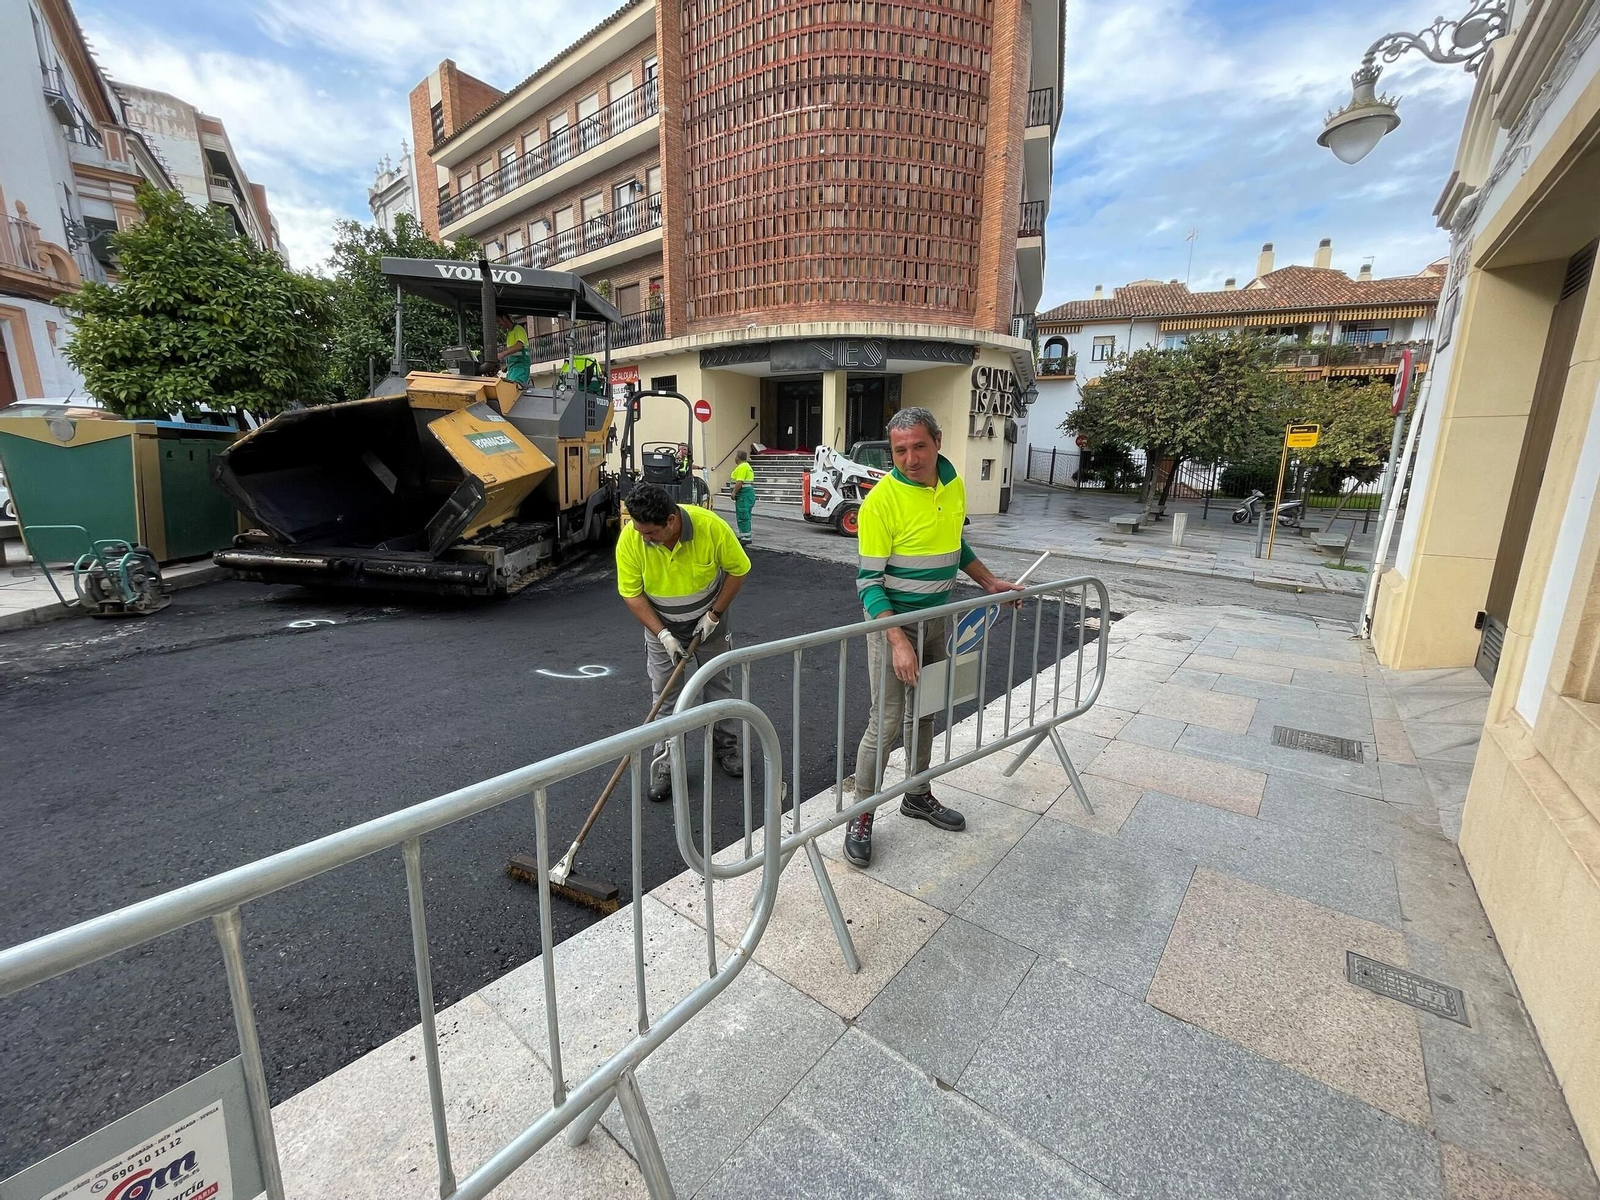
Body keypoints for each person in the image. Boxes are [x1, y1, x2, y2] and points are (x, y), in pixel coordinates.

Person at [843, 407, 1021, 867]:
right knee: (884, 723)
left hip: (938, 620)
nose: (909, 458)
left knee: (926, 712)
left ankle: (917, 794)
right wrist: (898, 641)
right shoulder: (881, 501)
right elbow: (869, 583)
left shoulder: (952, 484)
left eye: (918, 446)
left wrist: (989, 582)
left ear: (937, 441)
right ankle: (861, 812)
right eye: (899, 450)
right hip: (892, 628)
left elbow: (953, 546)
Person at [616, 482, 751, 801]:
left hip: (709, 623)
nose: (643, 538)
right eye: (639, 531)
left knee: (719, 687)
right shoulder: (632, 540)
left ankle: (726, 749)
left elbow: (738, 570)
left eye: (650, 532)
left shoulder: (710, 528)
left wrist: (714, 615)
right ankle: (665, 764)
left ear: (671, 521)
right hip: (660, 624)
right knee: (665, 696)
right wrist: (662, 634)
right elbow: (631, 594)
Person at [729, 449, 756, 544]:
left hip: (743, 494)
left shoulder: (742, 467)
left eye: (736, 456)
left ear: (738, 458)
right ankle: (743, 534)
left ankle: (746, 537)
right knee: (743, 514)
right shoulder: (746, 466)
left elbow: (739, 481)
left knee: (743, 514)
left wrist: (734, 492)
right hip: (746, 495)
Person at [497, 315, 530, 386]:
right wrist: (507, 366)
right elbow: (514, 353)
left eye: (498, 321)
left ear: (504, 318)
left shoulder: (518, 329)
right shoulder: (510, 333)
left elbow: (519, 346)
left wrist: (503, 354)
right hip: (512, 369)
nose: (498, 325)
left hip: (520, 368)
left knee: (515, 389)